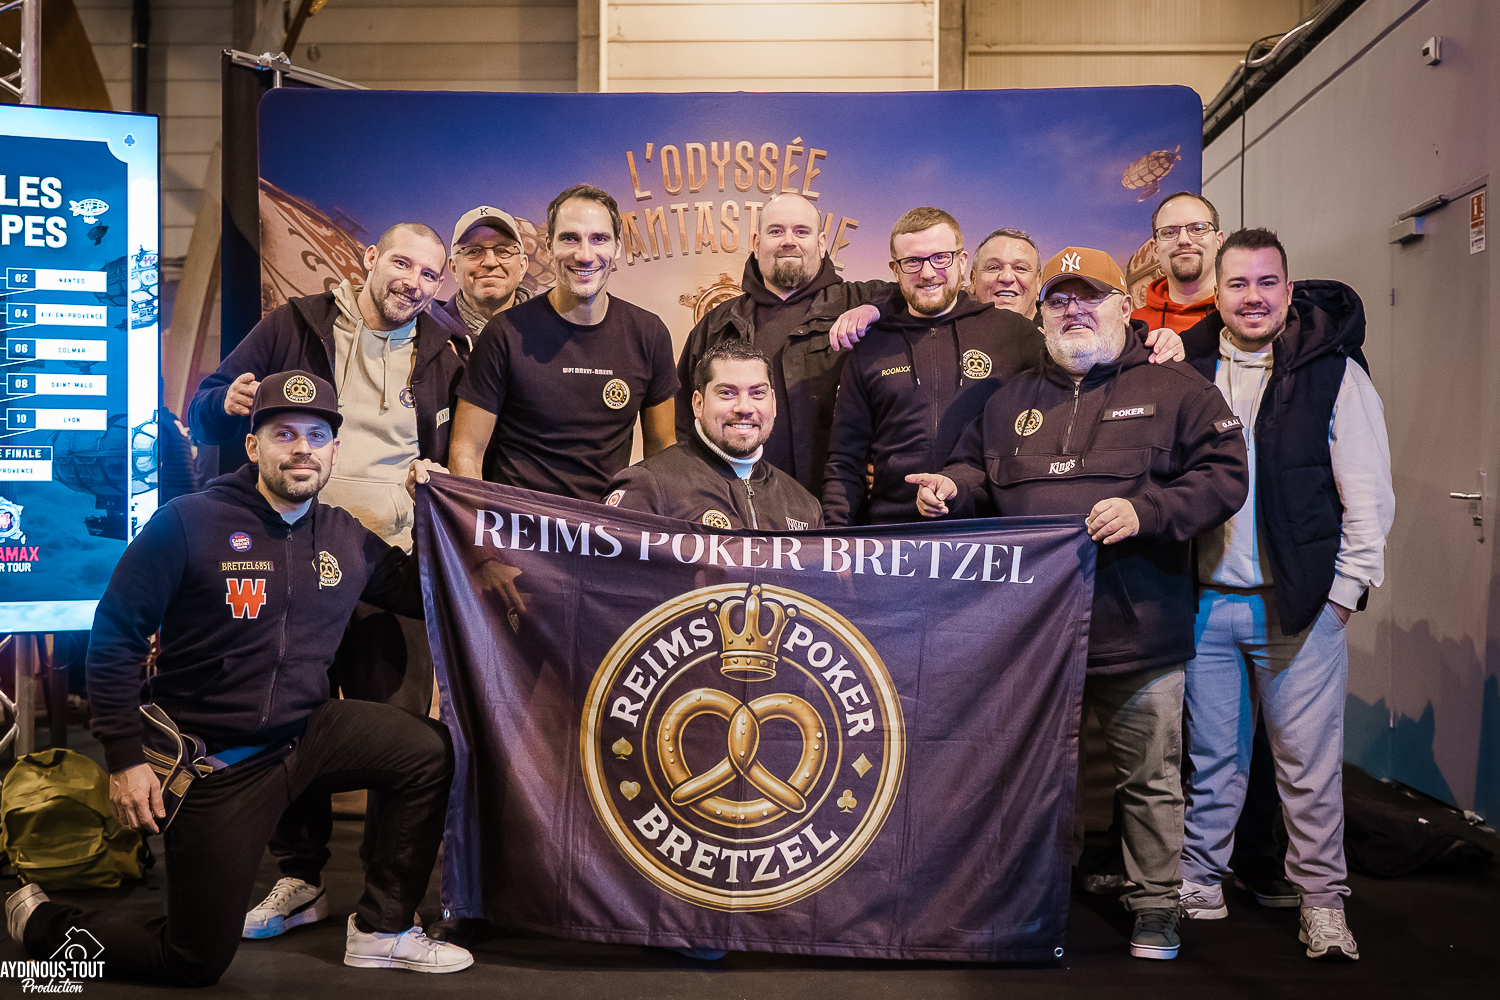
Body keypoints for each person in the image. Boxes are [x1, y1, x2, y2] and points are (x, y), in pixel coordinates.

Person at [4, 372, 472, 983]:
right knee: (192, 959)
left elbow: (424, 591)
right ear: (253, 446)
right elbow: (115, 637)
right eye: (284, 434)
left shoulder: (344, 536)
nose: (302, 449)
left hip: (306, 735)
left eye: (316, 436)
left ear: (335, 449)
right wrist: (124, 758)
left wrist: (439, 508)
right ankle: (43, 923)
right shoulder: (187, 523)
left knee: (428, 751)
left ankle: (383, 930)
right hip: (219, 761)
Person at [907, 246, 1248, 961]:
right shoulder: (1008, 398)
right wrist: (950, 489)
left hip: (1139, 630)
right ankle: (1023, 901)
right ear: (1041, 315)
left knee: (1151, 779)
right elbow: (974, 470)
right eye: (1060, 300)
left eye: (1090, 296)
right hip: (1032, 639)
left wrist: (1147, 511)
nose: (1075, 311)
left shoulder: (1176, 387)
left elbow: (1225, 475)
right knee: (1023, 775)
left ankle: (1155, 908)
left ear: (1126, 305)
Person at [1176, 229, 1393, 962]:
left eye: (1267, 282)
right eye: (1238, 284)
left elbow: (1368, 494)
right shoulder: (1187, 371)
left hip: (1299, 607)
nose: (1253, 297)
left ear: (1289, 290)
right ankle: (1200, 881)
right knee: (1212, 761)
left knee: (1308, 770)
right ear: (1217, 293)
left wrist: (1344, 593)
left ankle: (1323, 904)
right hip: (1205, 605)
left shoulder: (1333, 373)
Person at [447, 183, 677, 497]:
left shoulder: (649, 333)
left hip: (606, 525)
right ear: (549, 246)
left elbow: (662, 452)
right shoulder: (504, 333)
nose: (585, 255)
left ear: (617, 248)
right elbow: (466, 451)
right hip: (518, 523)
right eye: (570, 238)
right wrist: (476, 523)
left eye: (599, 239)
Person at [673, 192, 895, 498]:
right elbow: (688, 425)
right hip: (739, 510)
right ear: (756, 243)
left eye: (801, 231)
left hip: (841, 509)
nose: (788, 241)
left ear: (821, 243)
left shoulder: (861, 303)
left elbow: (921, 297)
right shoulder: (715, 326)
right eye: (776, 231)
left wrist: (875, 308)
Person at [606, 339, 823, 530]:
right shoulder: (648, 487)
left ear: (773, 403)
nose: (744, 407)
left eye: (758, 393)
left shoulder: (805, 507)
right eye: (727, 393)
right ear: (698, 404)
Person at [431, 205, 530, 358]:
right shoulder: (424, 337)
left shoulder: (557, 333)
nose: (490, 262)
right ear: (454, 268)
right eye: (474, 251)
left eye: (503, 251)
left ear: (522, 267)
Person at [1133, 192, 1225, 335]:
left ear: (1219, 241)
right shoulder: (1134, 328)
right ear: (1155, 249)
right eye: (1169, 232)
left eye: (1198, 229)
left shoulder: (1239, 319)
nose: (1183, 240)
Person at [968, 227, 1043, 322]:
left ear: (1039, 281)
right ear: (973, 279)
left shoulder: (1059, 330)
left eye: (1020, 268)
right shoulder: (952, 329)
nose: (1007, 278)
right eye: (994, 268)